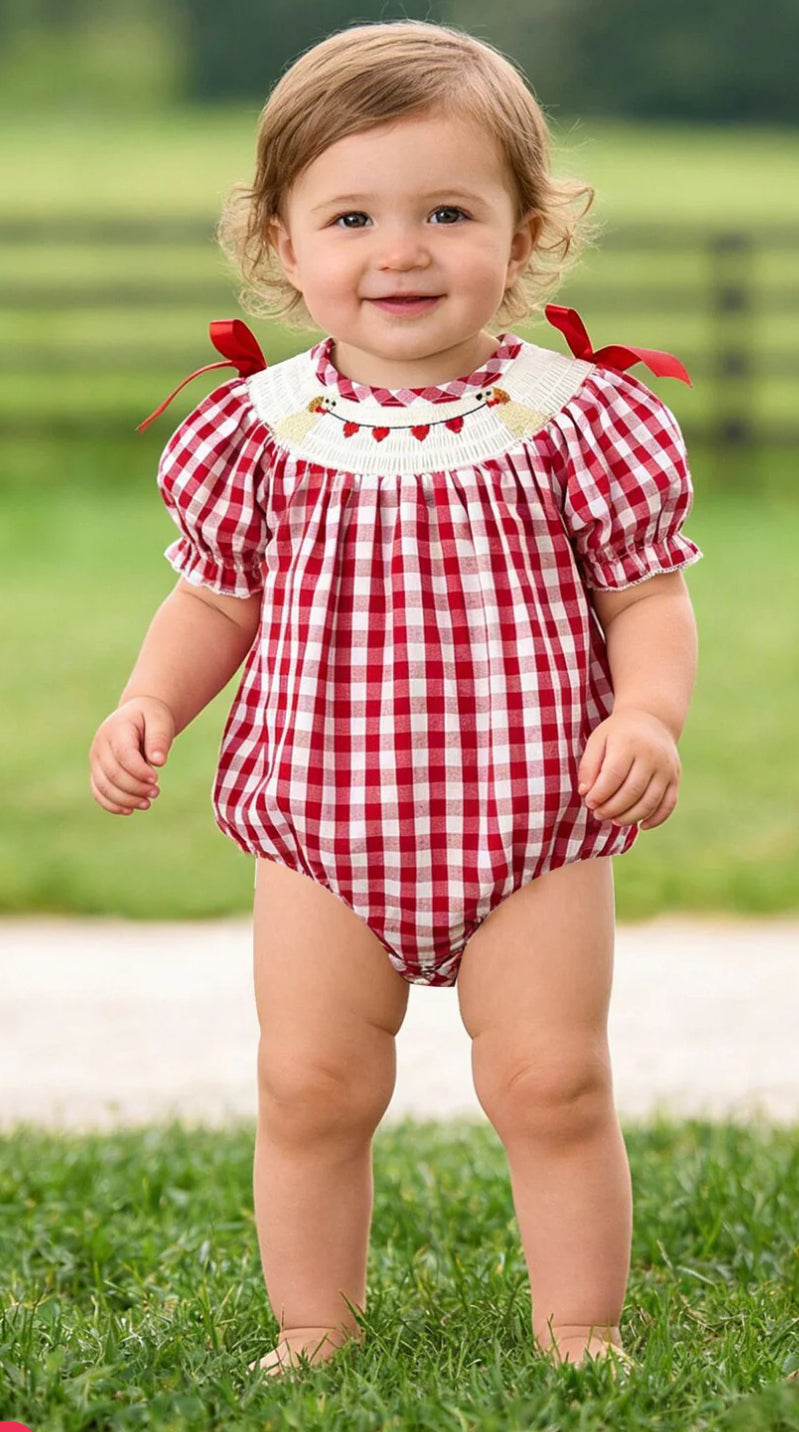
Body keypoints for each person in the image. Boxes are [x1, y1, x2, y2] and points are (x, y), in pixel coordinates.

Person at [89, 19, 702, 1379]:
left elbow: (646, 599)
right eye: (352, 215)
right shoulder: (261, 430)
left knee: (552, 1082)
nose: (401, 249)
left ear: (527, 230)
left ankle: (582, 1332)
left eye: (448, 210)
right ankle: (313, 1328)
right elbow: (213, 602)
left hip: (533, 815)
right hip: (321, 824)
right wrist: (150, 701)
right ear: (283, 244)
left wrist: (645, 717)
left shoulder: (569, 420)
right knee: (310, 1087)